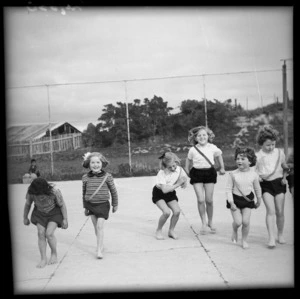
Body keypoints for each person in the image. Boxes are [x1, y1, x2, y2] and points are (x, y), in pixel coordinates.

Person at [185, 125, 225, 234]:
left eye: (204, 135)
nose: (202, 137)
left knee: (209, 200)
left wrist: (222, 167)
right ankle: (203, 223)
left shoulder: (212, 147)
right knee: (200, 200)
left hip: (209, 173)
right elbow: (188, 161)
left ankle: (210, 222)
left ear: (208, 136)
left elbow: (219, 155)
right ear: (195, 138)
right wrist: (187, 170)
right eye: (199, 135)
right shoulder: (193, 149)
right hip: (197, 173)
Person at [255, 124, 290, 248]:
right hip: (265, 185)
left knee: (280, 211)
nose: (271, 147)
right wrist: (257, 177)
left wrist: (285, 177)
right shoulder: (258, 156)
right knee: (271, 211)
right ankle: (271, 237)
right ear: (261, 144)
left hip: (279, 182)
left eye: (273, 144)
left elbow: (284, 166)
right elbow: (254, 171)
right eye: (268, 145)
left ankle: (280, 234)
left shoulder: (279, 153)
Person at [23, 178, 68, 268]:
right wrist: (25, 217)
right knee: (40, 233)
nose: (40, 197)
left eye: (42, 194)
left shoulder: (54, 192)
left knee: (49, 233)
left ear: (46, 189)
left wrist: (65, 219)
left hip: (54, 213)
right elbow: (28, 204)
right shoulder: (31, 193)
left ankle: (54, 253)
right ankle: (43, 258)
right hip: (39, 214)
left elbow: (62, 205)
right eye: (38, 195)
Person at [82, 152, 118, 259]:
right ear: (89, 164)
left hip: (103, 205)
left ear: (102, 163)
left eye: (98, 162)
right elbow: (84, 193)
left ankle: (98, 250)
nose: (95, 164)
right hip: (90, 205)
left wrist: (115, 204)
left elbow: (113, 191)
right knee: (96, 227)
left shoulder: (108, 176)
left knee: (99, 226)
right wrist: (85, 207)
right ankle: (101, 245)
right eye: (93, 162)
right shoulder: (85, 177)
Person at [226, 147, 262, 249]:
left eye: (242, 159)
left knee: (245, 222)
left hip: (247, 200)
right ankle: (234, 230)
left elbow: (257, 188)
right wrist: (231, 202)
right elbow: (228, 189)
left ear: (250, 161)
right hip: (235, 200)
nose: (239, 161)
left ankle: (244, 240)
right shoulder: (233, 174)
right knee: (238, 222)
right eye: (237, 159)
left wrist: (259, 200)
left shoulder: (254, 175)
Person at [152, 151, 188, 240]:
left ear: (176, 162)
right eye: (170, 167)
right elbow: (164, 190)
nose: (173, 168)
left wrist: (184, 182)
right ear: (164, 166)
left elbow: (183, 177)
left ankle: (171, 231)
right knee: (166, 212)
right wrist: (178, 184)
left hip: (170, 193)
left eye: (174, 165)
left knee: (177, 211)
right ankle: (159, 230)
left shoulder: (179, 169)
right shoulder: (162, 173)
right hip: (159, 193)